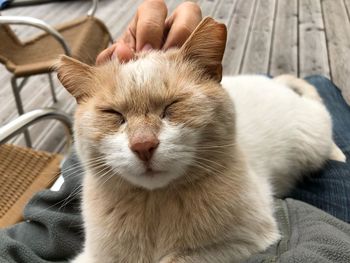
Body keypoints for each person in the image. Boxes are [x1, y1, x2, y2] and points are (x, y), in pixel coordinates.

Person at [0, 1, 350, 262]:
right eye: (113, 115)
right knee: (324, 89)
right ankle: (310, 85)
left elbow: (257, 233)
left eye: (172, 109)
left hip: (273, 109)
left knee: (319, 130)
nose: (142, 142)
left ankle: (307, 90)